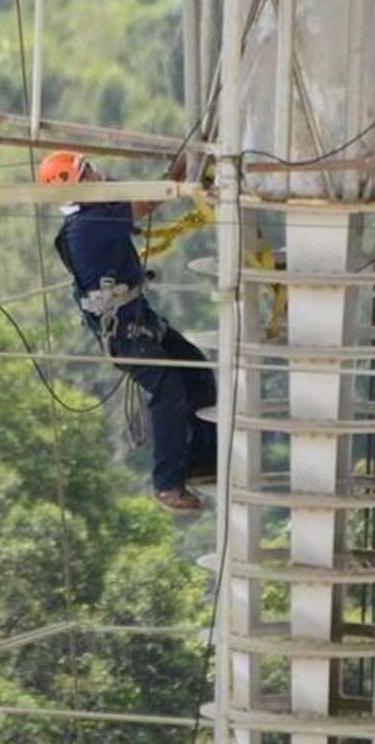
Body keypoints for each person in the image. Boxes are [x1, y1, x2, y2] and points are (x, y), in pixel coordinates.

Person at [39, 150, 217, 514]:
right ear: (74, 189)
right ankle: (168, 485)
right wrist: (184, 167)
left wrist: (185, 172)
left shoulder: (96, 213)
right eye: (87, 172)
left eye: (91, 166)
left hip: (138, 320)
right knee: (166, 387)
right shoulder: (89, 224)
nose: (97, 173)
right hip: (124, 331)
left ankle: (199, 461)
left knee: (194, 367)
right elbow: (147, 202)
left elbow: (139, 198)